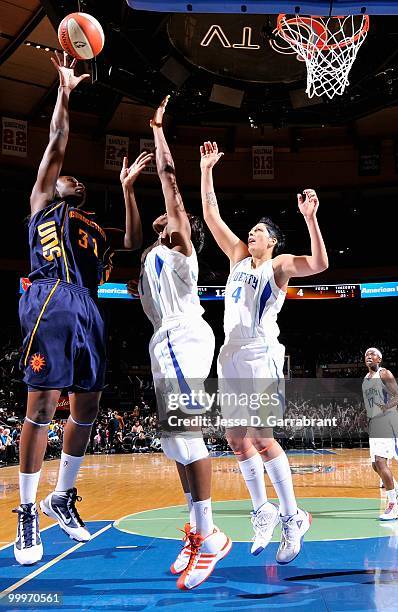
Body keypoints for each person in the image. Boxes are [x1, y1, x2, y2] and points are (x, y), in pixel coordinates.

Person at [13, 51, 153, 566]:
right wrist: (65, 92)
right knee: (43, 407)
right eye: (63, 177)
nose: (69, 178)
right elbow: (56, 143)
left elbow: (135, 241)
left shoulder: (93, 229)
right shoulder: (43, 206)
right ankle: (28, 511)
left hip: (89, 309)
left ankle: (62, 496)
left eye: (76, 180)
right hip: (49, 297)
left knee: (87, 408)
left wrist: (127, 190)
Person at [199, 140, 328, 563]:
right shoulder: (237, 257)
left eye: (258, 231)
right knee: (235, 439)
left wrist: (311, 219)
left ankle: (293, 516)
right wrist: (206, 170)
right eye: (250, 230)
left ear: (271, 242)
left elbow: (320, 265)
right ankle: (263, 510)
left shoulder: (279, 265)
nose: (250, 233)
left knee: (261, 436)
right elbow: (211, 215)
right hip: (231, 353)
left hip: (261, 353)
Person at [127, 98, 231, 590]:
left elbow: (169, 178)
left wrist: (157, 128)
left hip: (186, 336)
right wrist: (127, 190)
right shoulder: (150, 261)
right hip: (161, 341)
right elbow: (129, 243)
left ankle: (210, 540)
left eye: (170, 216)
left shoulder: (182, 251)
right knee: (173, 442)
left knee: (187, 435)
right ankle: (200, 533)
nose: (164, 217)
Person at [362, 347, 398, 520]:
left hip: (388, 421)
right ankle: (397, 487)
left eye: (373, 354)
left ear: (379, 360)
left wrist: (386, 408)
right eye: (366, 355)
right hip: (376, 423)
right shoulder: (366, 379)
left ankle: (393, 506)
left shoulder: (385, 373)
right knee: (375, 465)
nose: (369, 356)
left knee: (381, 462)